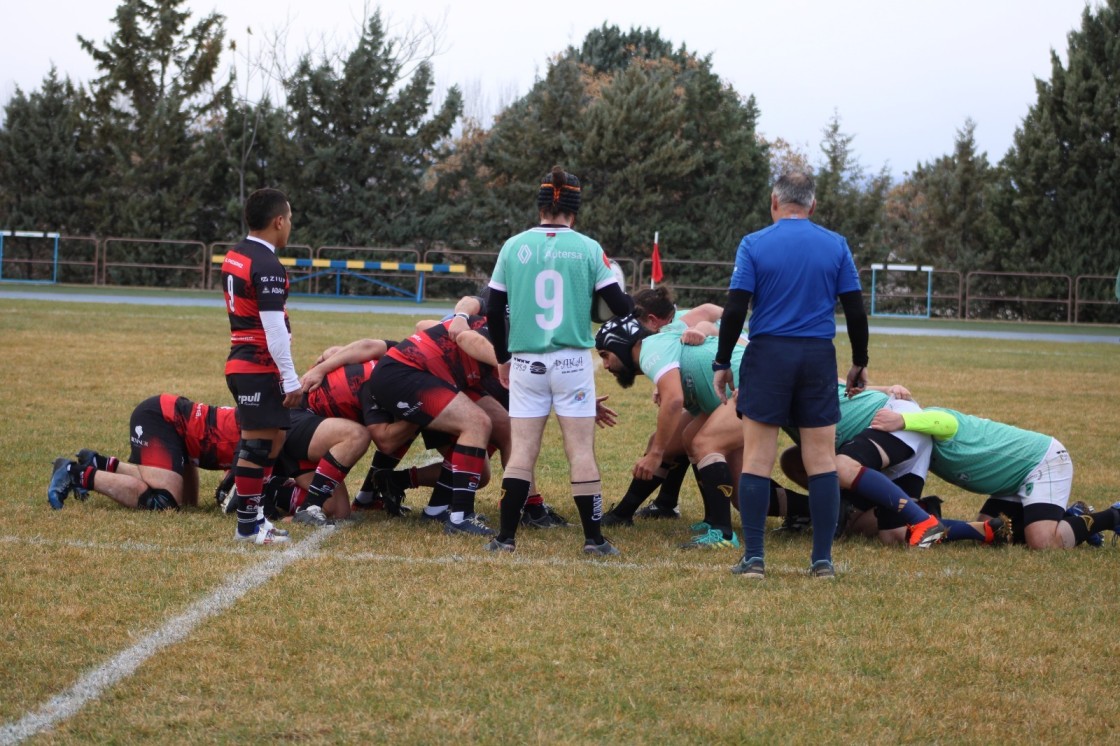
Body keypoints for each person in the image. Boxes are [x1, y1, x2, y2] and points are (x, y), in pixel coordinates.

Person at [713, 171, 869, 579]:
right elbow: (854, 309)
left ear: (774, 202)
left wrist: (722, 360)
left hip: (769, 356)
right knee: (821, 461)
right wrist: (859, 359)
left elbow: (734, 308)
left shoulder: (754, 244)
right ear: (812, 205)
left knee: (759, 458)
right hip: (817, 356)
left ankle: (755, 560)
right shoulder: (835, 245)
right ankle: (822, 561)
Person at [483, 165, 633, 555]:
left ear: (540, 207)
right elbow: (619, 307)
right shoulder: (586, 247)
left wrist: (502, 359)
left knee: (523, 452)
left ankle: (505, 538)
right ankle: (594, 540)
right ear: (574, 211)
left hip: (526, 362)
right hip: (571, 363)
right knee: (580, 452)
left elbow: (493, 308)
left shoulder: (513, 246)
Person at [870, 405, 1120, 549]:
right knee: (992, 532)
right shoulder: (912, 445)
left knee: (1043, 542)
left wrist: (902, 419)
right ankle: (1070, 516)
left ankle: (1111, 516)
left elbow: (946, 420)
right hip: (1012, 479)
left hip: (1043, 461)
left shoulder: (924, 423)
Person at [221, 187, 304, 545]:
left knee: (274, 438)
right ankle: (247, 525)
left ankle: (256, 517)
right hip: (256, 364)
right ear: (278, 221)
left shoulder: (236, 254)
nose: (290, 228)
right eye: (290, 220)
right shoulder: (267, 264)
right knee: (257, 445)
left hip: (243, 361)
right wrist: (290, 378)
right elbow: (273, 328)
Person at [47, 394, 243, 512]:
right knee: (165, 502)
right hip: (159, 418)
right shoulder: (264, 435)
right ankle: (74, 473)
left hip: (173, 423)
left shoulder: (263, 428)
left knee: (187, 504)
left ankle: (98, 463)